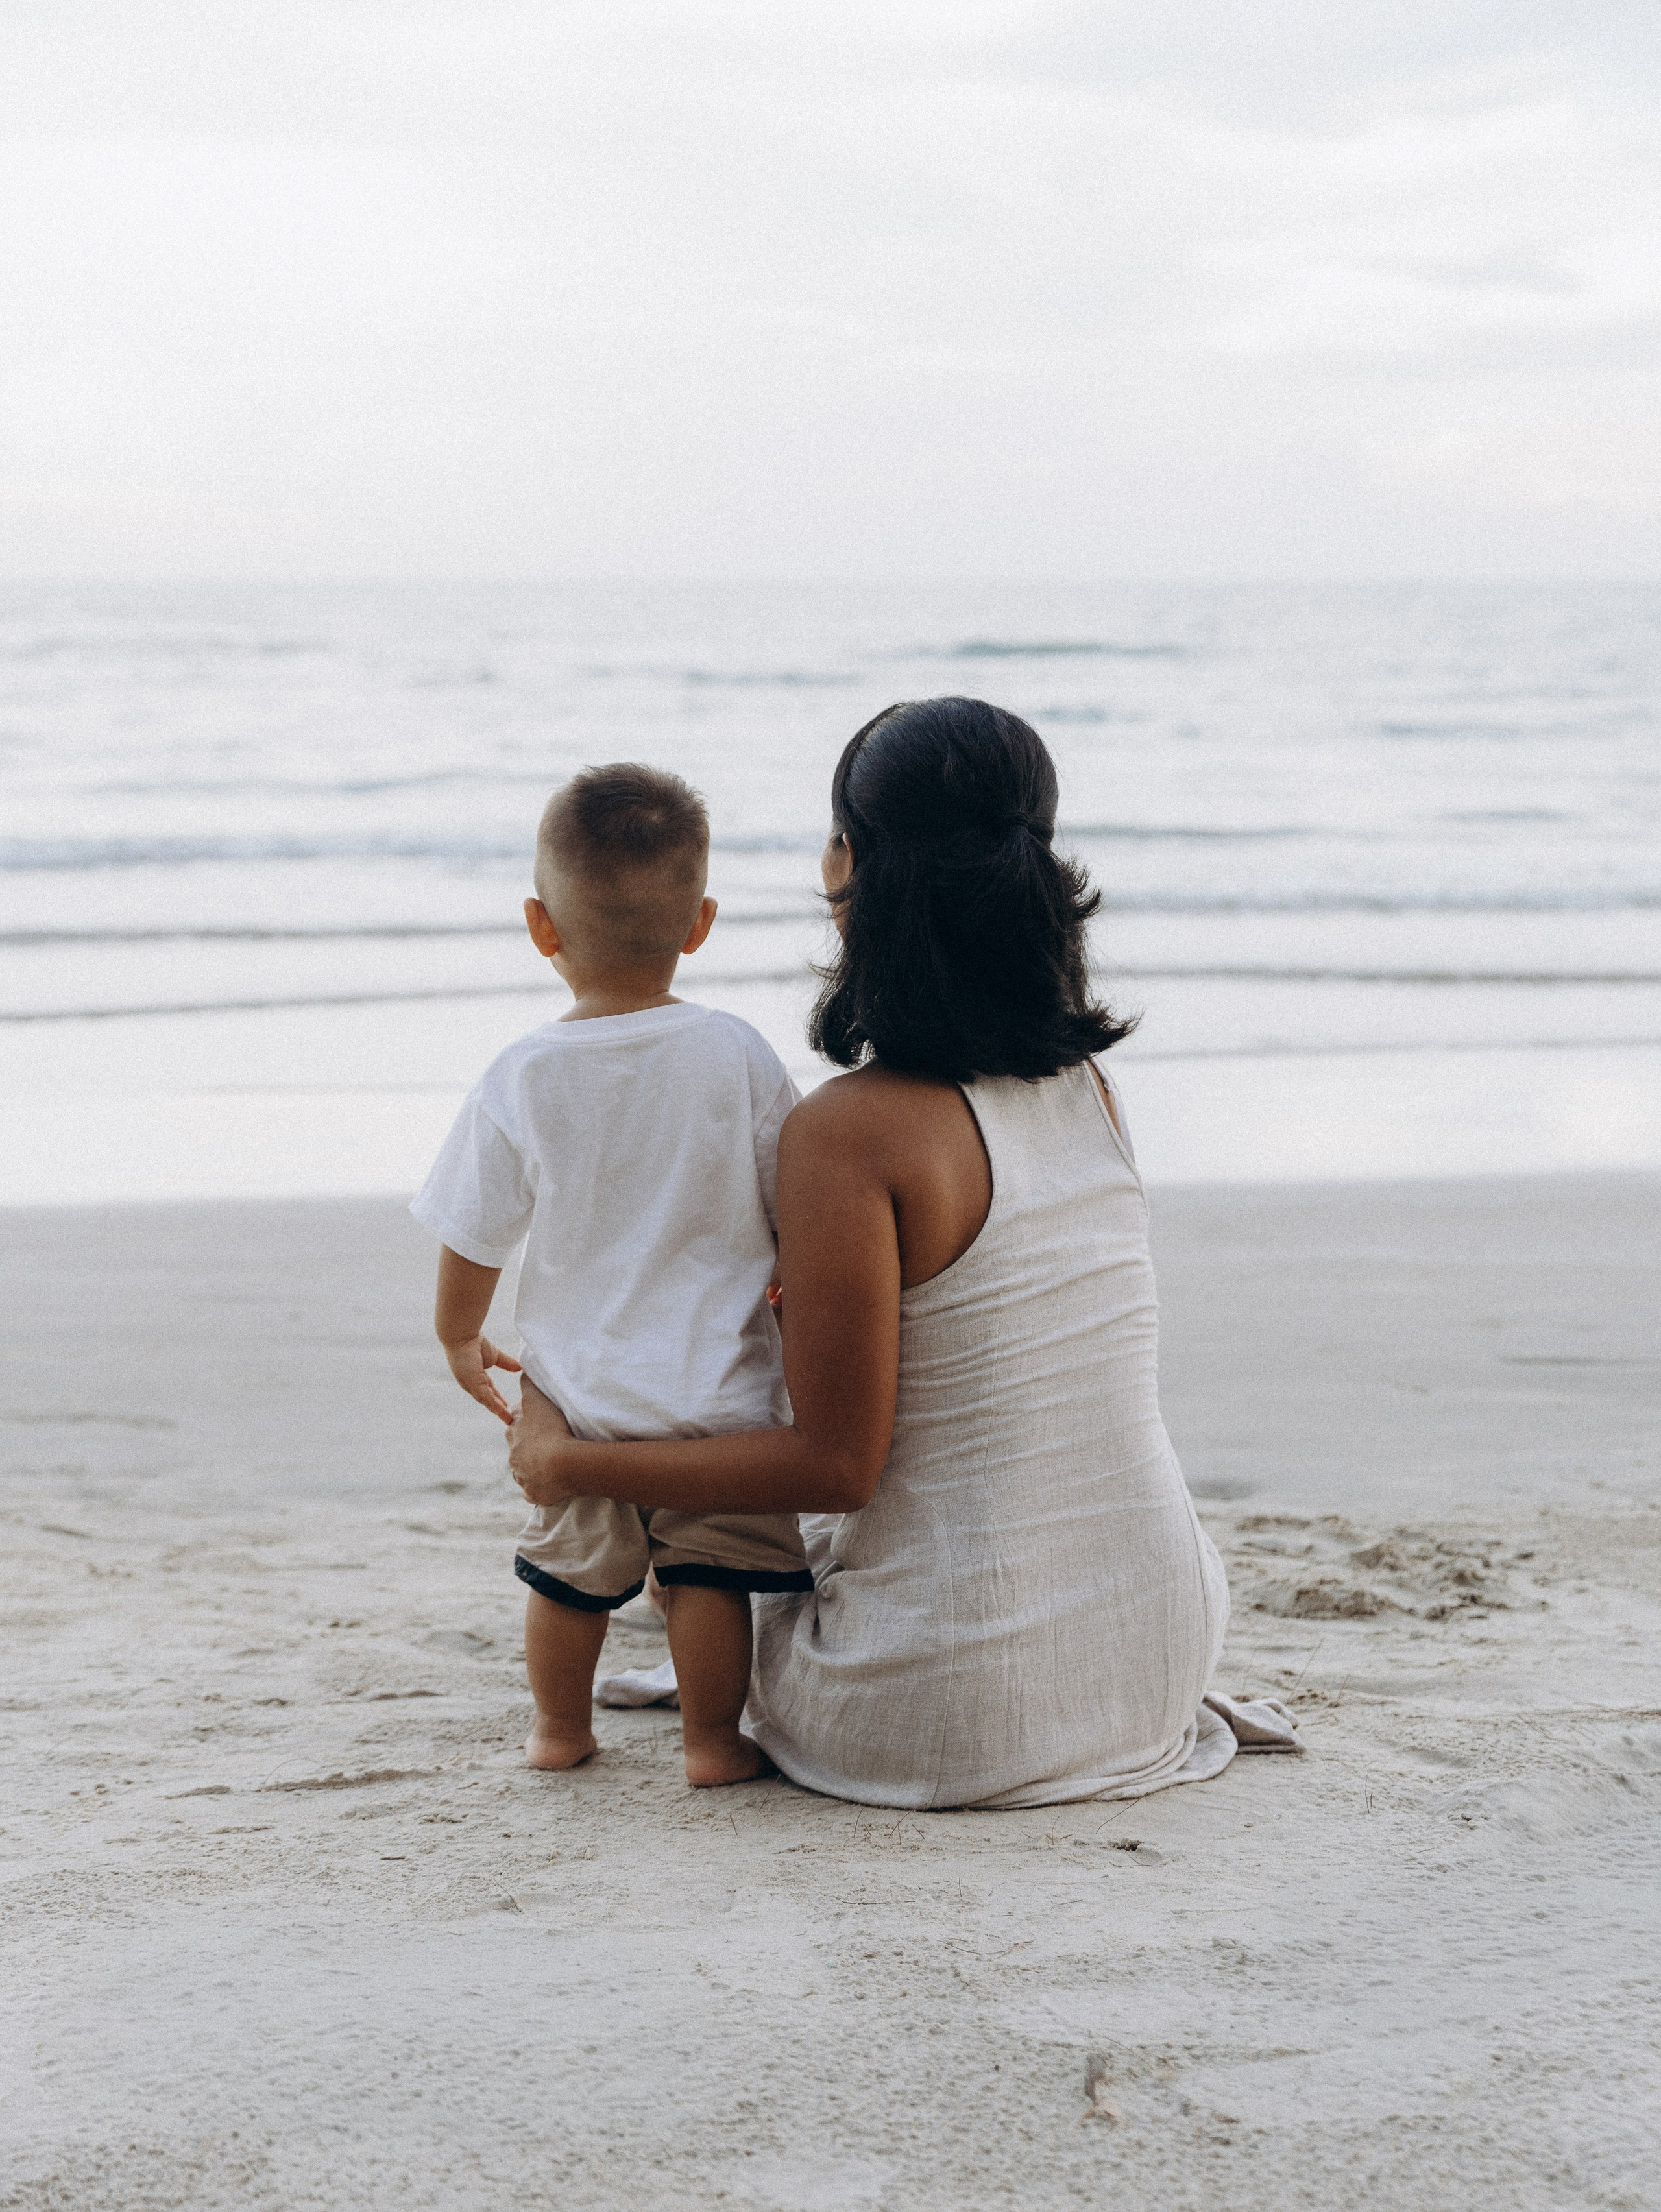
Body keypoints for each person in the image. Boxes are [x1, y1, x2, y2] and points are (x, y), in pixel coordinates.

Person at [509, 698, 1248, 1810]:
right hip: (1159, 1650)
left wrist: (571, 1463)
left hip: (942, 1708)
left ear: (847, 860)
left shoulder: (852, 1130)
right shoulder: (1091, 1090)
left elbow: (833, 1468)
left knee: (711, 1517)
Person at [410, 763, 810, 1786]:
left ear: (542, 928)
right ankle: (713, 1743)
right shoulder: (738, 1054)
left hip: (579, 1392)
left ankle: (558, 1729)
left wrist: (461, 1334)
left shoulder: (523, 1074)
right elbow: (795, 1200)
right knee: (710, 1573)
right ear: (702, 922)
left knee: (566, 1574)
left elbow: (475, 1229)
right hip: (718, 1388)